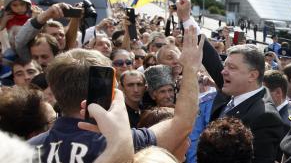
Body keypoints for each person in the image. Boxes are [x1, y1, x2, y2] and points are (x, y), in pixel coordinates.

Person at [28, 21, 204, 162]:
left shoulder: (24, 151)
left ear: (54, 90)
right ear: (109, 89)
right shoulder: (126, 143)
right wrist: (190, 68)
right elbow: (182, 122)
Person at [209, 44, 284, 163]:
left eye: (232, 67)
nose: (223, 71)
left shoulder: (265, 117)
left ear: (252, 75)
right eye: (225, 66)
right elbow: (211, 62)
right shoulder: (232, 91)